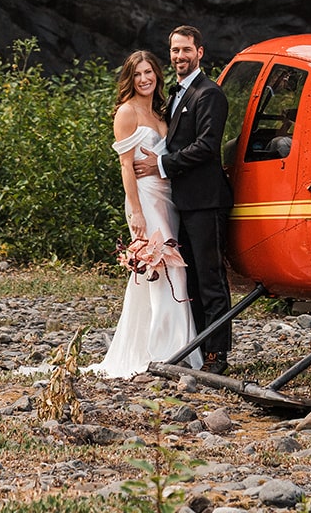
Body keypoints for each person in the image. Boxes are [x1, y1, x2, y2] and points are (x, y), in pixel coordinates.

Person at [95, 50, 202, 378]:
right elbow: (126, 166)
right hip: (144, 198)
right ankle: (167, 351)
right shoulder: (126, 113)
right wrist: (136, 214)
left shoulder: (160, 110)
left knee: (155, 274)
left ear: (157, 75)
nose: (144, 79)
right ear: (130, 78)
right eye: (138, 74)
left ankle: (158, 345)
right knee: (165, 268)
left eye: (149, 73)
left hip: (167, 196)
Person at [133, 25, 233, 374]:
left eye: (186, 50)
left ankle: (217, 356)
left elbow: (207, 147)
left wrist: (160, 164)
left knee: (210, 279)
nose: (179, 57)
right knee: (189, 281)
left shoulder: (209, 94)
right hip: (182, 203)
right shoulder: (175, 95)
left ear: (200, 52)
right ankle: (199, 350)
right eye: (174, 51)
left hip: (206, 201)